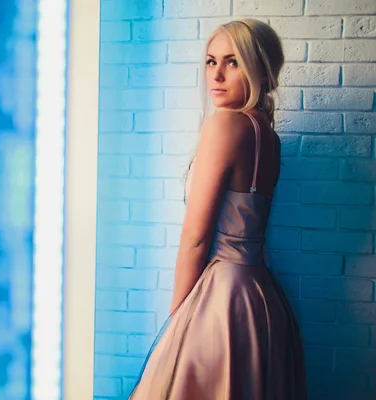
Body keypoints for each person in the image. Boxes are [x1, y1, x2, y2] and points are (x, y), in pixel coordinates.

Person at [128, 18, 306, 399]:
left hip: (221, 299)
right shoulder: (268, 137)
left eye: (233, 62)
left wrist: (178, 320)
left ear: (259, 68)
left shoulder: (225, 125)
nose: (217, 75)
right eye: (211, 62)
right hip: (261, 298)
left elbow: (196, 237)